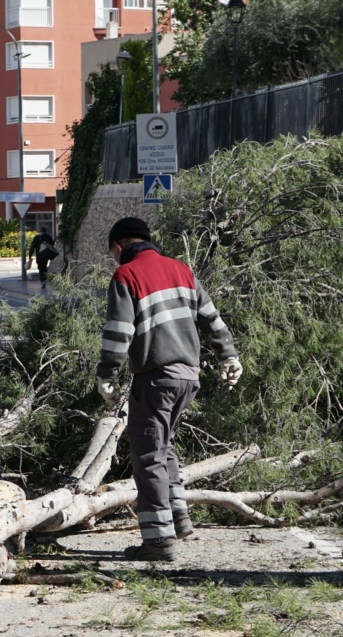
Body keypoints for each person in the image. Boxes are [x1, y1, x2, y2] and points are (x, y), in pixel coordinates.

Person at [95, 217, 243, 561]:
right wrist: (228, 356)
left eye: (112, 252)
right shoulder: (181, 270)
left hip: (156, 379)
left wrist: (107, 373)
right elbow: (212, 319)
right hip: (188, 377)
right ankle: (178, 518)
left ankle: (159, 541)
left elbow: (119, 332)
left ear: (119, 247)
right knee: (164, 446)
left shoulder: (126, 275)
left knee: (147, 456)